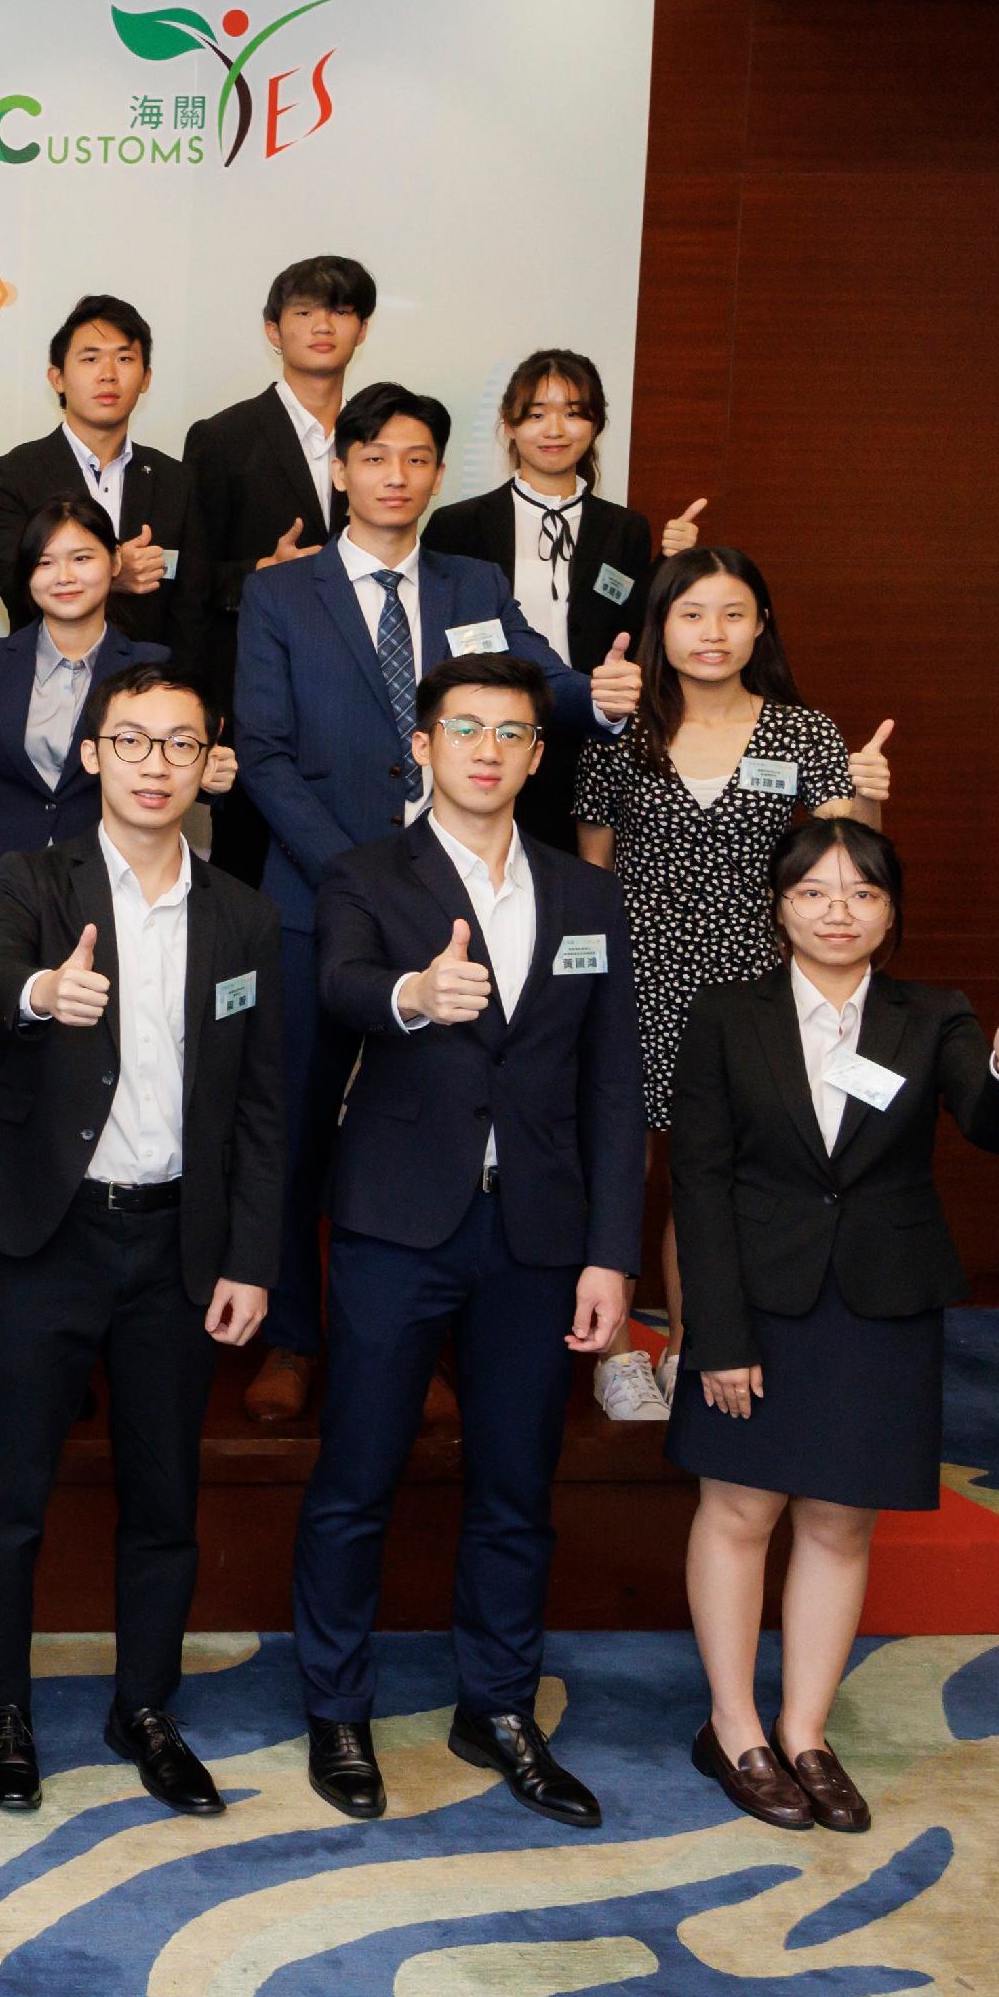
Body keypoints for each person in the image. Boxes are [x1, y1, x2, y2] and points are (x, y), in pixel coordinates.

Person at [231, 387, 635, 1424]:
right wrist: (359, 877)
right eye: (375, 458)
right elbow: (267, 757)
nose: (396, 477)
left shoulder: (472, 580)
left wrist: (610, 693)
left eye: (417, 459)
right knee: (296, 1126)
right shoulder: (282, 595)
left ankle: (447, 1332)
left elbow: (540, 688)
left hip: (470, 909)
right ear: (341, 471)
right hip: (323, 899)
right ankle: (289, 1337)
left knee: (454, 1118)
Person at [297, 653, 642, 1831]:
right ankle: (335, 1707)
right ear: (424, 747)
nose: (487, 750)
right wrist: (409, 996)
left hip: (539, 1236)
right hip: (399, 1222)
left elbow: (610, 1088)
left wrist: (611, 1252)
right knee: (358, 1476)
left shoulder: (588, 898)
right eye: (465, 729)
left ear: (538, 757)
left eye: (511, 733)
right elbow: (339, 986)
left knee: (515, 1482)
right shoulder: (364, 874)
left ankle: (495, 1703)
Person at [0, 662, 283, 1818]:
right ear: (91, 754)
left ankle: (146, 1704)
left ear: (206, 762)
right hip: (48, 1236)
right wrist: (40, 993)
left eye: (178, 745)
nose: (153, 766)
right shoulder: (32, 879)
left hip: (178, 1244)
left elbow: (260, 1107)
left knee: (162, 1498)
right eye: (130, 742)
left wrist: (247, 1257)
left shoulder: (239, 909)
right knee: (11, 1488)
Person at [670, 820, 999, 1832]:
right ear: (778, 903)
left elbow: (988, 1119)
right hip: (755, 1298)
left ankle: (803, 1731)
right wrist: (717, 1333)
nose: (837, 912)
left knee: (839, 1524)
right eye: (812, 892)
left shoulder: (936, 1017)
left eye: (861, 894)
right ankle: (733, 1726)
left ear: (890, 910)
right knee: (740, 1513)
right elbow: (698, 1183)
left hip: (878, 1301)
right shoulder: (724, 1016)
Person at [573, 545, 883, 1383]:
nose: (713, 632)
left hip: (752, 989)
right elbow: (590, 876)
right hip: (633, 981)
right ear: (660, 627)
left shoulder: (803, 730)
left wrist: (872, 793)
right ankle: (610, 1354)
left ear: (762, 626)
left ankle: (690, 1341)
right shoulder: (618, 735)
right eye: (692, 613)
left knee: (712, 1173)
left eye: (734, 613)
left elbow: (847, 870)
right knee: (620, 1164)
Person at [0, 498, 169, 1078]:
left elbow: (172, 785)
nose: (65, 576)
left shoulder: (151, 669)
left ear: (113, 563)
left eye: (82, 557)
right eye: (46, 562)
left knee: (96, 1092)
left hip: (112, 909)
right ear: (26, 577)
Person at [424, 348, 700, 830]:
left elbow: (635, 626)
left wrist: (671, 564)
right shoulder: (458, 525)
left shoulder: (624, 528)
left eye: (573, 414)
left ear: (595, 425)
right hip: (488, 735)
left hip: (593, 740)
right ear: (509, 425)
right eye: (536, 415)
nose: (554, 430)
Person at [182, 256, 370, 883]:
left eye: (341, 311)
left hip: (360, 695)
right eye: (304, 312)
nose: (324, 326)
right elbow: (196, 579)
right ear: (273, 330)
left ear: (362, 329)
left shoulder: (381, 435)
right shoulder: (222, 437)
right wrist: (265, 571)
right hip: (261, 695)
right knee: (249, 875)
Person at [0, 296, 198, 656]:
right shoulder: (10, 476)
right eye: (90, 359)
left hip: (150, 689)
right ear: (57, 378)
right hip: (44, 681)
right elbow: (17, 588)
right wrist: (113, 572)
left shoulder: (176, 480)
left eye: (125, 359)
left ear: (146, 378)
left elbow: (190, 609)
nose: (108, 373)